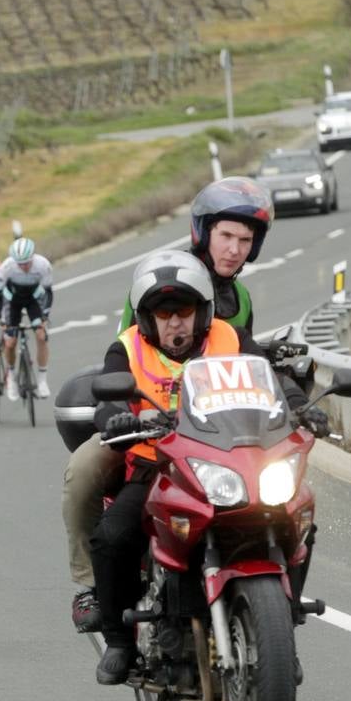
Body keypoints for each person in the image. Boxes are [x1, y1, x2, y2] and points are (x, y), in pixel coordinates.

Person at [89, 251, 326, 685]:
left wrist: (300, 408)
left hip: (231, 461)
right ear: (147, 318)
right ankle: (119, 640)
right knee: (113, 535)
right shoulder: (126, 348)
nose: (175, 323)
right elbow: (108, 400)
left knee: (298, 512)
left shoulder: (232, 339)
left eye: (184, 312)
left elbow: (276, 381)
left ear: (203, 313)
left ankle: (281, 626)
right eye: (165, 314)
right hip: (159, 467)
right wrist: (117, 417)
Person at [67, 176, 280, 634]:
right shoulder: (161, 278)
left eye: (246, 240)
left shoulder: (238, 298)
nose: (234, 249)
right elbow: (135, 348)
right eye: (226, 236)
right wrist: (127, 414)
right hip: (148, 423)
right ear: (203, 232)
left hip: (211, 430)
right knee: (84, 468)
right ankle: (90, 585)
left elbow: (239, 359)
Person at [0, 237, 53, 400]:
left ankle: (42, 380)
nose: (24, 266)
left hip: (33, 299)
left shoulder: (43, 265)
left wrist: (45, 315)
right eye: (20, 263)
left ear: (33, 257)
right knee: (10, 341)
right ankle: (11, 377)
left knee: (41, 335)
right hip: (12, 302)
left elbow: (48, 292)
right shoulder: (7, 266)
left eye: (27, 262)